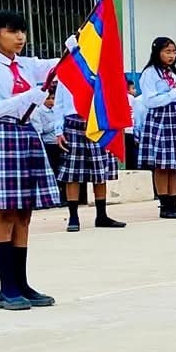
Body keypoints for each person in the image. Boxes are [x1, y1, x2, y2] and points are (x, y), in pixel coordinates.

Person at [0, 10, 65, 309]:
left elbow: (60, 66)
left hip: (26, 134)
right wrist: (28, 97)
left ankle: (22, 284)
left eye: (22, 31)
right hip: (1, 135)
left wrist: (76, 46)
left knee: (24, 213)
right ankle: (6, 288)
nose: (20, 37)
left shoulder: (26, 64)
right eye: (12, 31)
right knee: (5, 213)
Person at [55, 63, 125, 232]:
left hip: (98, 122)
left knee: (100, 172)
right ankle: (73, 216)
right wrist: (58, 130)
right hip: (73, 123)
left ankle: (101, 215)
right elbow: (59, 104)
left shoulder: (101, 70)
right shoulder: (67, 71)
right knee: (72, 173)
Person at [135, 37, 176, 219]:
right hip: (161, 118)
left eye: (174, 52)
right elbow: (150, 101)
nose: (171, 56)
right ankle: (164, 205)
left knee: (175, 165)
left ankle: (174, 203)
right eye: (167, 52)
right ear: (157, 53)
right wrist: (173, 93)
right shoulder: (150, 73)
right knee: (162, 165)